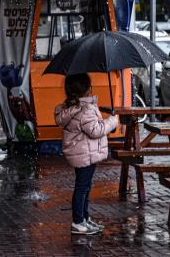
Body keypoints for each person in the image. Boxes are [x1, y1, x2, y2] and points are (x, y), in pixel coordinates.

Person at [55, 73, 119, 235]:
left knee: (84, 186)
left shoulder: (71, 108)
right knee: (82, 187)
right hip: (85, 154)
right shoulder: (85, 110)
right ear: (88, 89)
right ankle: (78, 221)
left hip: (81, 152)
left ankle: (84, 218)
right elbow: (96, 130)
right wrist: (112, 121)